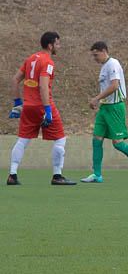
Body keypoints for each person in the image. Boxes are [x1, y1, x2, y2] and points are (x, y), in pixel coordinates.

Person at [7, 32, 76, 186]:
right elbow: (43, 86)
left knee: (23, 140)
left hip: (28, 106)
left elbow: (15, 80)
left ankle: (12, 174)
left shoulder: (31, 58)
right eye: (57, 43)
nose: (59, 46)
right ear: (50, 45)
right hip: (43, 106)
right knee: (60, 138)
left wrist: (17, 103)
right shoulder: (48, 62)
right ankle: (57, 176)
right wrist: (48, 110)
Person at [80, 42, 128, 184]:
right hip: (104, 109)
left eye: (96, 55)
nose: (94, 58)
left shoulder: (113, 64)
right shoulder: (104, 67)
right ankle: (97, 175)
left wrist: (96, 98)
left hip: (115, 108)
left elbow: (115, 85)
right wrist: (100, 101)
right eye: (93, 55)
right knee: (96, 139)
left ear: (104, 51)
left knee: (117, 143)